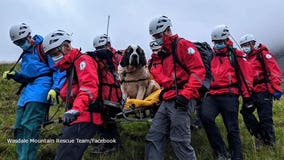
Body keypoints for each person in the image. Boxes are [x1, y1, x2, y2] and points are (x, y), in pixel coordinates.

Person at [42, 30, 122, 160]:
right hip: (79, 116)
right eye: (50, 55)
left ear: (66, 46)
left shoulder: (83, 61)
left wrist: (75, 110)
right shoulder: (71, 65)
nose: (54, 57)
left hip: (85, 116)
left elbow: (89, 88)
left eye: (55, 53)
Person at [145, 16, 206, 160]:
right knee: (154, 136)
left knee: (179, 141)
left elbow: (198, 71)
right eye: (154, 36)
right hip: (168, 99)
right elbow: (163, 78)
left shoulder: (183, 45)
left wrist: (186, 94)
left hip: (182, 99)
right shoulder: (163, 53)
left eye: (158, 35)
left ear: (167, 30)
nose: (156, 38)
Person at [2, 23, 65, 160]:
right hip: (27, 92)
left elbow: (58, 69)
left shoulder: (44, 48)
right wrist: (14, 75)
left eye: (21, 41)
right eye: (17, 43)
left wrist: (55, 88)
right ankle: (22, 157)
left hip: (41, 89)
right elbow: (27, 77)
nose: (20, 44)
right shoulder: (25, 54)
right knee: (18, 127)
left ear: (29, 36)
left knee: (30, 126)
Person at [200, 25, 253, 160]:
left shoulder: (236, 54)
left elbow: (245, 76)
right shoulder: (211, 56)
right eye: (215, 42)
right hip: (212, 95)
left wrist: (247, 98)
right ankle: (221, 152)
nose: (217, 45)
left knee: (232, 128)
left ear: (226, 39)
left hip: (229, 94)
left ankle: (237, 156)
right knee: (205, 117)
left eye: (220, 42)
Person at [239, 34, 282, 148]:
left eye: (246, 45)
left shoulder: (263, 54)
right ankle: (260, 136)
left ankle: (271, 143)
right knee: (245, 112)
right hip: (251, 92)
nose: (244, 47)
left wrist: (276, 89)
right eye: (242, 46)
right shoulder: (245, 58)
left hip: (263, 90)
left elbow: (274, 71)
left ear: (253, 43)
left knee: (265, 118)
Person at [91, 34, 122, 154]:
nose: (99, 50)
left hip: (113, 94)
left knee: (109, 120)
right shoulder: (97, 58)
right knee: (102, 119)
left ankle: (112, 145)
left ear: (108, 44)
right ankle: (108, 142)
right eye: (97, 48)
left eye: (102, 47)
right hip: (102, 94)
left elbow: (122, 64)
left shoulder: (117, 56)